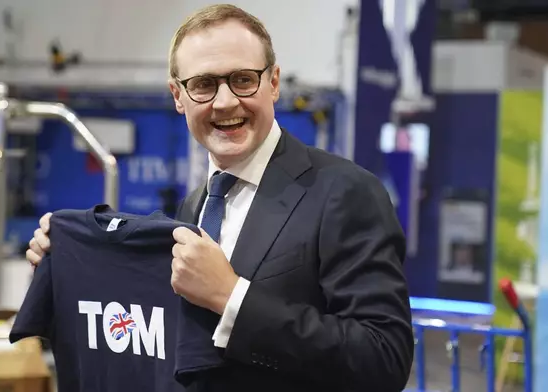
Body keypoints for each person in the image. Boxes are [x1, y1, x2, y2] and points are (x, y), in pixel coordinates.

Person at [26, 4, 414, 391]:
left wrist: (232, 298)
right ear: (178, 96)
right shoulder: (194, 208)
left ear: (274, 83)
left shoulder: (343, 191)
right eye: (204, 85)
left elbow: (384, 359)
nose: (225, 102)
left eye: (243, 80)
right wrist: (65, 264)